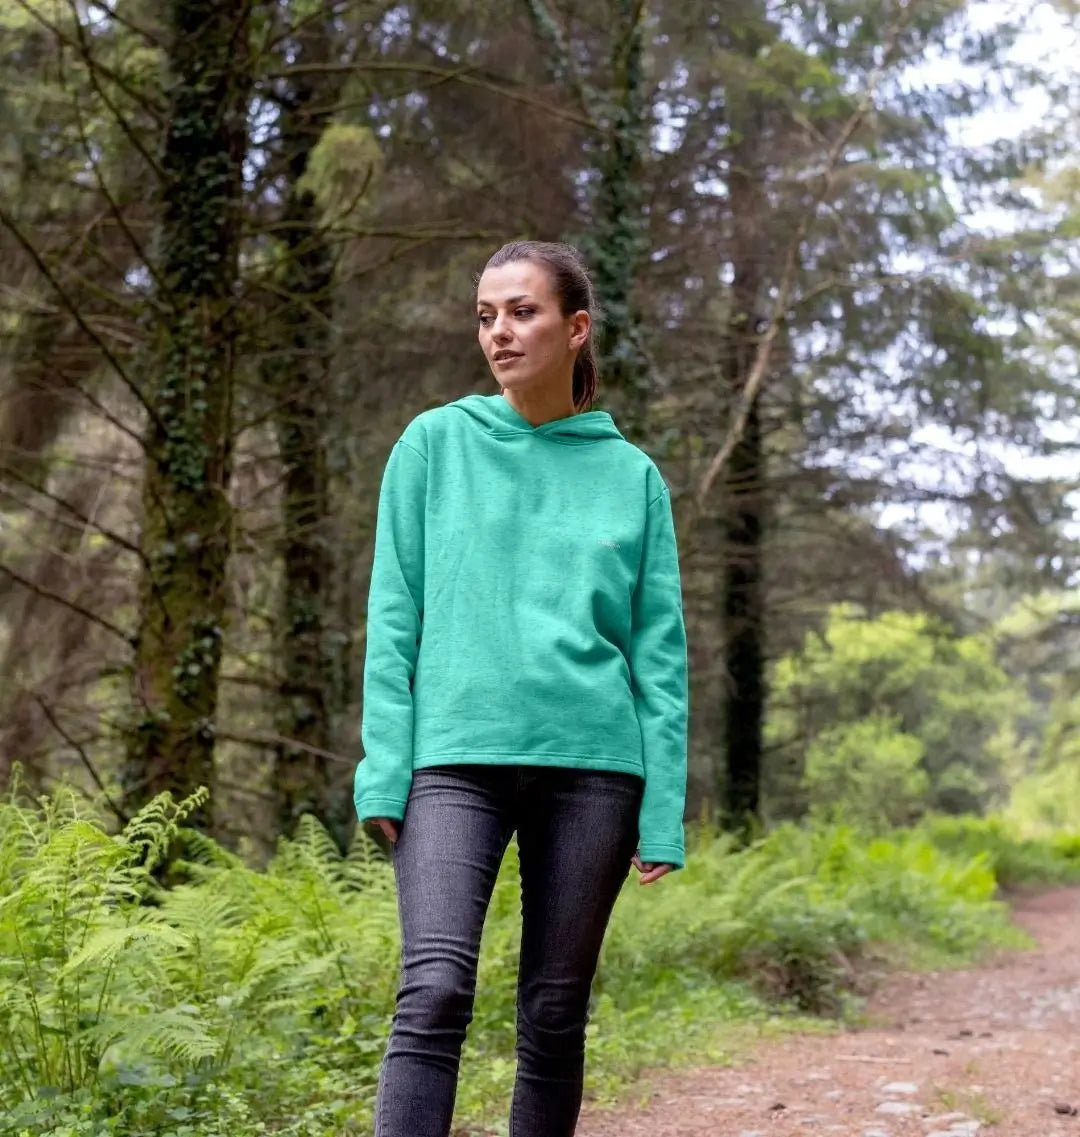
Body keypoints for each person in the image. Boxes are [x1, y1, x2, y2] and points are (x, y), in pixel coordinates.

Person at [353, 240, 688, 1137]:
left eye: (522, 312)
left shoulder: (632, 478)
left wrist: (664, 810)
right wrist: (384, 768)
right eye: (486, 315)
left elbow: (659, 657)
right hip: (453, 760)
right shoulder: (433, 446)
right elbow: (394, 615)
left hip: (593, 768)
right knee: (433, 989)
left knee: (552, 1012)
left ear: (576, 329)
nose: (499, 332)